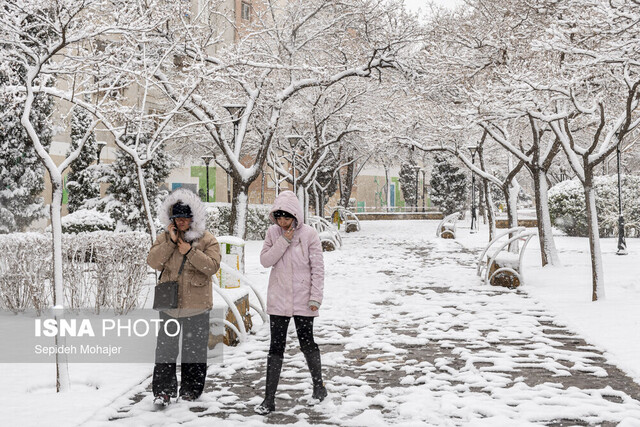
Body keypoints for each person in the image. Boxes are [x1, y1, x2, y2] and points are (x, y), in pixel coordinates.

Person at [254, 190, 327, 415]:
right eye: (279, 217)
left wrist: (315, 297)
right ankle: (269, 399)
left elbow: (318, 268)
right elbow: (266, 260)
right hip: (279, 299)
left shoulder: (309, 234)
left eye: (287, 218)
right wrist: (283, 241)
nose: (283, 222)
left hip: (305, 300)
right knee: (276, 348)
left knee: (307, 343)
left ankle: (319, 386)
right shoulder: (273, 233)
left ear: (295, 216)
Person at [147, 188, 221, 405]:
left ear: (193, 218)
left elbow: (212, 267)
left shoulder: (207, 240)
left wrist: (189, 251)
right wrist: (170, 243)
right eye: (177, 218)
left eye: (185, 218)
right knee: (165, 350)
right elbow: (153, 262)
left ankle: (191, 390)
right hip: (170, 305)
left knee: (194, 352)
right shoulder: (164, 238)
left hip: (197, 306)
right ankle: (163, 391)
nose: (181, 222)